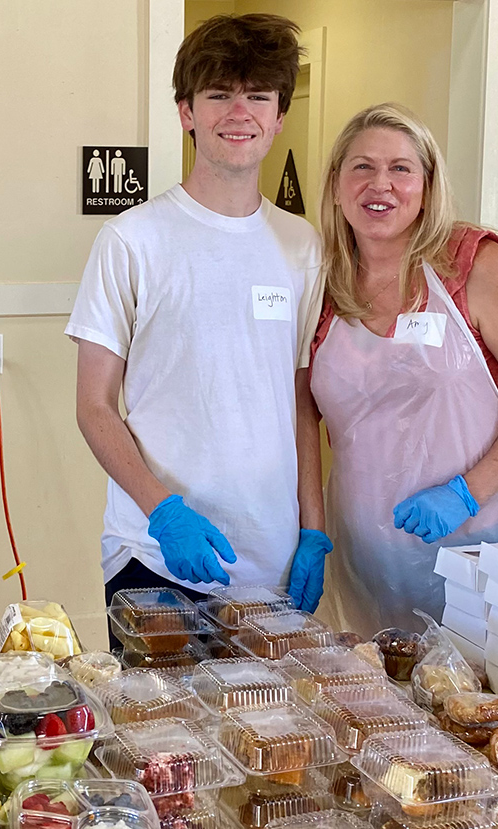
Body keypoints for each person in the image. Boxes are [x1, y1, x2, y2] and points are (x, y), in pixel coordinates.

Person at [68, 13, 326, 634]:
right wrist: (162, 512)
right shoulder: (132, 241)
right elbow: (94, 406)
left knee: (274, 733)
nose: (240, 112)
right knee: (156, 732)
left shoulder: (303, 245)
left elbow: (300, 401)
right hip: (156, 560)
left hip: (272, 561)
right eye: (218, 95)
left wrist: (314, 525)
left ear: (279, 116)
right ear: (186, 111)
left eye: (258, 96)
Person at [301, 103, 498, 636]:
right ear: (335, 186)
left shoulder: (471, 265)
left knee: (497, 709)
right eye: (362, 167)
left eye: (401, 168)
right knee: (392, 708)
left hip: (486, 549)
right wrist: (310, 529)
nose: (381, 184)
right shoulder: (317, 282)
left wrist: (465, 493)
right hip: (371, 557)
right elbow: (301, 417)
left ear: (427, 186)